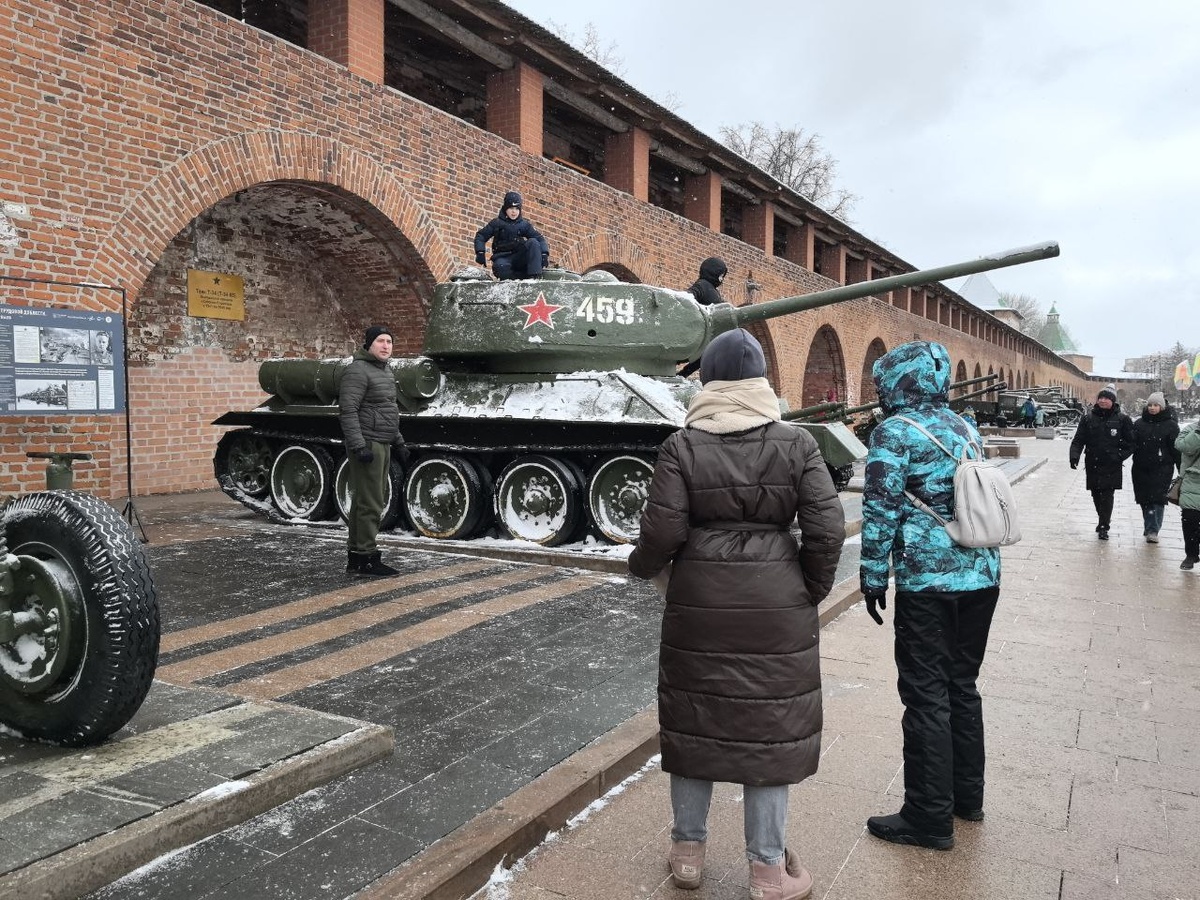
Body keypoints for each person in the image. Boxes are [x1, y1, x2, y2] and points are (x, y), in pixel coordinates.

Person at [628, 328, 845, 899]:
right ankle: (768, 872)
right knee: (769, 735)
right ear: (760, 382)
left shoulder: (683, 446)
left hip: (699, 598)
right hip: (777, 600)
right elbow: (826, 529)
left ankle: (688, 855)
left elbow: (663, 531)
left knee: (693, 723)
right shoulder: (796, 443)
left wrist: (642, 567)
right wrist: (807, 589)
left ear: (708, 382)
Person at [858, 340, 1000, 851]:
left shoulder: (894, 432)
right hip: (983, 575)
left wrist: (873, 575)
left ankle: (927, 816)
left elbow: (880, 511)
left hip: (928, 583)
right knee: (962, 685)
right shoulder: (967, 427)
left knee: (925, 694)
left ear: (899, 381)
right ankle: (967, 797)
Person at [339, 325, 408, 577]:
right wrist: (359, 446)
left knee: (364, 501)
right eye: (380, 340)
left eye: (389, 341)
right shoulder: (358, 371)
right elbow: (348, 411)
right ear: (368, 344)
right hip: (368, 443)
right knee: (371, 501)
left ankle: (357, 557)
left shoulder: (384, 370)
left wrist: (398, 441)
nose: (386, 345)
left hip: (383, 441)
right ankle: (367, 557)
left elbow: (387, 410)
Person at [1069, 386, 1135, 541]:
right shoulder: (1087, 418)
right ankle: (1103, 518)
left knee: (1107, 494)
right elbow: (1079, 440)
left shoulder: (1122, 419)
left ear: (1112, 401)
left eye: (1106, 398)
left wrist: (1119, 456)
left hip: (1112, 465)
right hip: (1093, 463)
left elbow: (1131, 443)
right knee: (1096, 494)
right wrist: (1074, 456)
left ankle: (1104, 525)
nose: (1103, 401)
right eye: (1101, 398)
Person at [1131, 391, 1179, 544]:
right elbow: (1131, 444)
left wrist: (1181, 468)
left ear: (1162, 407)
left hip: (1162, 468)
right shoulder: (1139, 424)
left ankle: (1153, 529)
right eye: (1150, 405)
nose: (1152, 408)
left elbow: (1176, 450)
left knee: (1157, 499)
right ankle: (1150, 524)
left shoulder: (1171, 426)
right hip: (1141, 467)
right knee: (1144, 499)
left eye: (1156, 405)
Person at [472, 191, 549, 280]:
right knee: (501, 267)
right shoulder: (497, 223)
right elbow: (481, 236)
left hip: (519, 258)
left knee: (533, 242)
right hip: (502, 258)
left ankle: (534, 277)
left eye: (517, 209)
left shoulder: (524, 225)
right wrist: (480, 252)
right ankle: (511, 282)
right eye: (511, 208)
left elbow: (539, 238)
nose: (514, 212)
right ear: (505, 209)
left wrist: (544, 254)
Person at [677, 258, 728, 378]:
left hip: (709, 333)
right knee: (708, 353)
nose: (721, 279)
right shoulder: (702, 286)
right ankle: (684, 373)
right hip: (702, 333)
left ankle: (685, 373)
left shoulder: (710, 288)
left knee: (708, 353)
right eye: (721, 275)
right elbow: (688, 296)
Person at [1174, 420, 1200, 569]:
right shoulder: (1191, 429)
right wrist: (1198, 432)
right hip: (1192, 480)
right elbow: (1183, 446)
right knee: (1190, 519)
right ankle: (1191, 554)